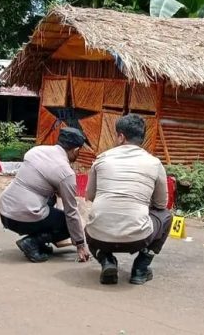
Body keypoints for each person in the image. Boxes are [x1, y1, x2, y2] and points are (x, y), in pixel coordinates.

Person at [85, 114, 173, 285]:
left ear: (121, 137)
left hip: (99, 237)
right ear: (141, 138)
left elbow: (90, 196)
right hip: (138, 237)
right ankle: (140, 269)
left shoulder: (101, 159)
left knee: (90, 220)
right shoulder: (154, 163)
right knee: (166, 217)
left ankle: (106, 261)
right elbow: (161, 204)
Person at [0, 127, 91, 263]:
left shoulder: (35, 151)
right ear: (76, 150)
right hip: (22, 216)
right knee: (68, 223)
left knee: (51, 198)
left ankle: (39, 242)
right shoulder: (65, 173)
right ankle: (32, 242)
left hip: (5, 210)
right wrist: (80, 244)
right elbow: (71, 212)